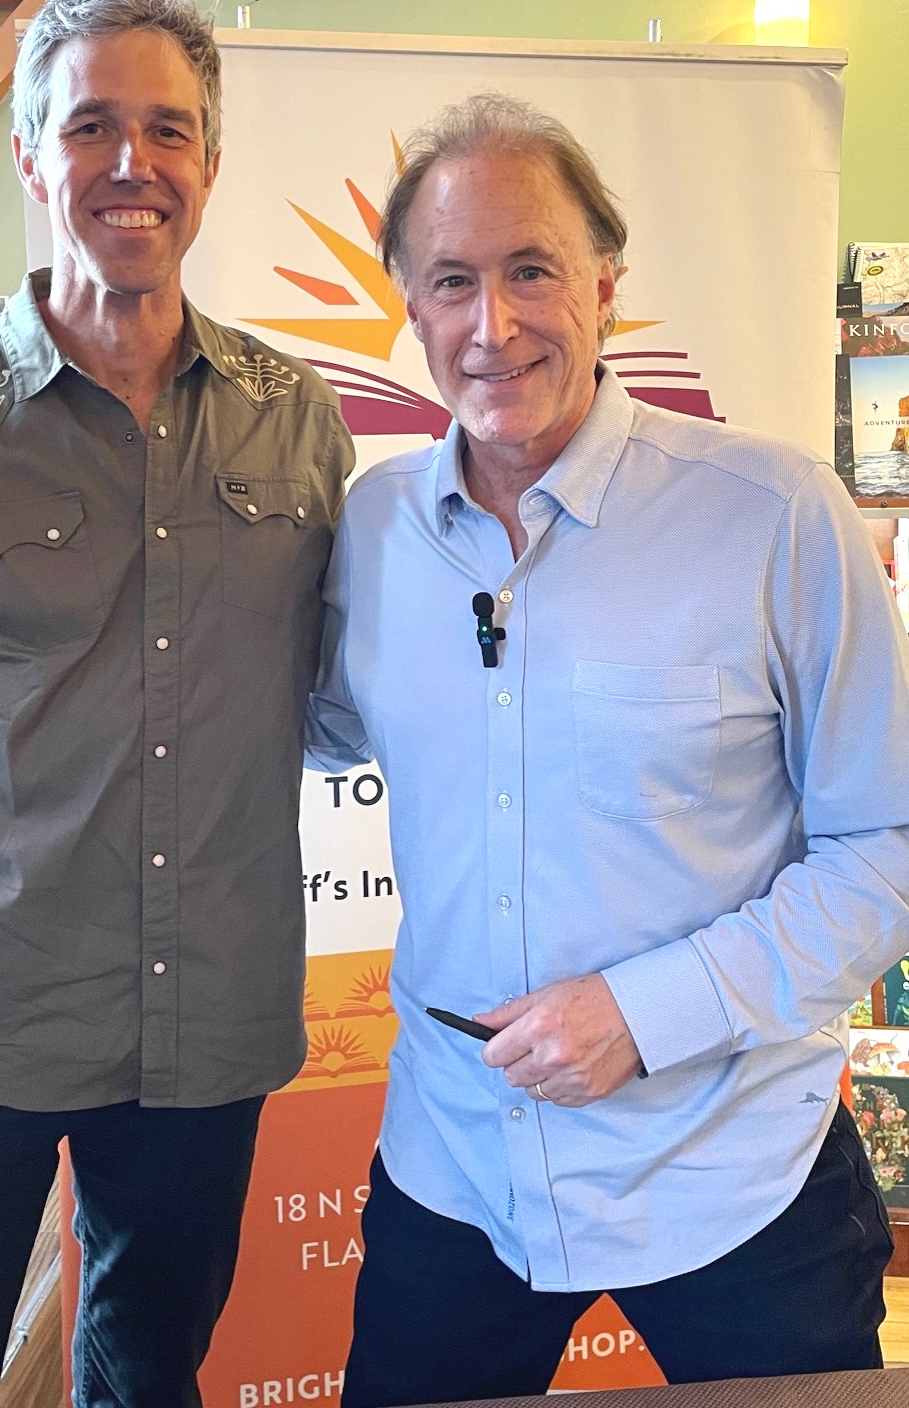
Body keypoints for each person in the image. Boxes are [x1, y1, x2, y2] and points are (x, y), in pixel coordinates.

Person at [0, 0, 353, 1408]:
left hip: (208, 1033)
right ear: (31, 157)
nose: (131, 162)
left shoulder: (300, 418)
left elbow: (355, 685)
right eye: (90, 124)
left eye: (168, 128)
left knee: (149, 1376)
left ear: (210, 164)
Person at [306, 93, 909, 1406]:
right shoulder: (368, 532)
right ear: (410, 305)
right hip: (456, 1166)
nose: (494, 323)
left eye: (533, 270)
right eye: (454, 281)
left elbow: (889, 849)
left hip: (731, 1165)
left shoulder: (773, 514)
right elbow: (286, 727)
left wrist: (648, 1014)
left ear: (608, 287)